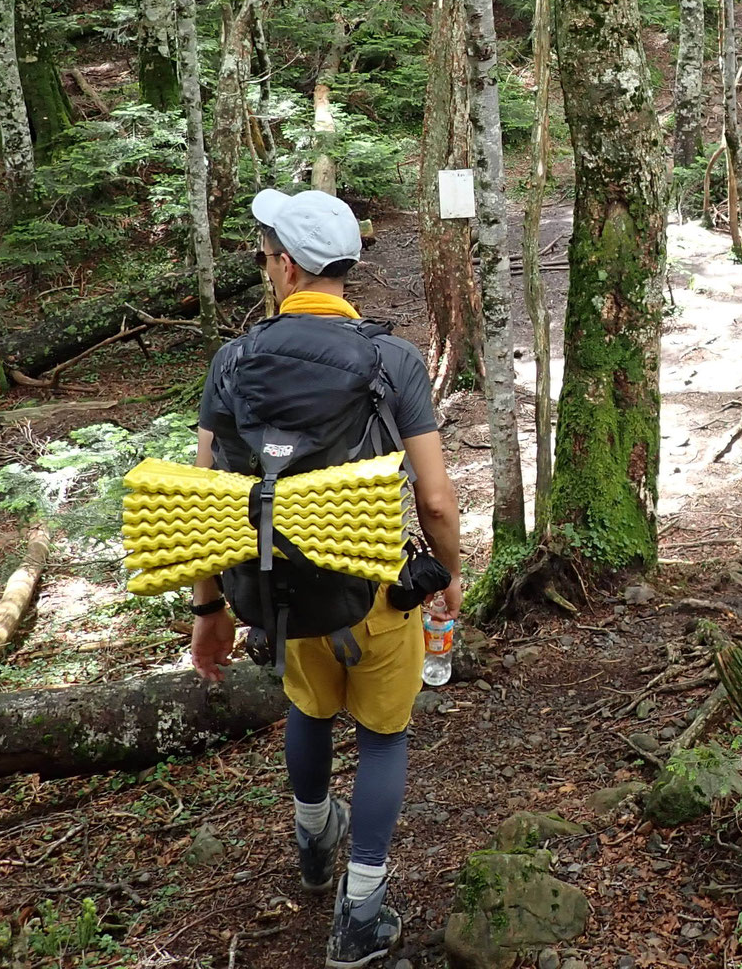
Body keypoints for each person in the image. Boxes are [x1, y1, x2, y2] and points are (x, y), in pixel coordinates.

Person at [188, 188, 463, 969]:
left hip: (280, 593)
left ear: (288, 265)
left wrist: (209, 607)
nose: (264, 264)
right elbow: (437, 499)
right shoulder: (392, 361)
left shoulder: (232, 362)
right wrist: (450, 576)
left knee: (309, 709)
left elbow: (207, 496)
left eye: (265, 253)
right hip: (374, 586)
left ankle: (314, 847)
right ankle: (361, 916)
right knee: (383, 735)